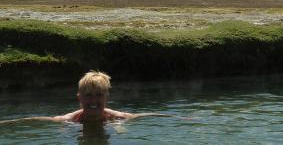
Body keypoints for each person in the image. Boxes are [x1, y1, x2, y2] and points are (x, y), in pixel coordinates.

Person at [0, 70, 169, 123]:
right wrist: (7, 123)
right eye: (88, 96)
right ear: (79, 98)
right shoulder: (69, 119)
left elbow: (148, 115)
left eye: (98, 95)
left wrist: (184, 117)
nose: (94, 101)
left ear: (106, 98)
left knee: (120, 128)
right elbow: (37, 119)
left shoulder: (118, 117)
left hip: (111, 129)